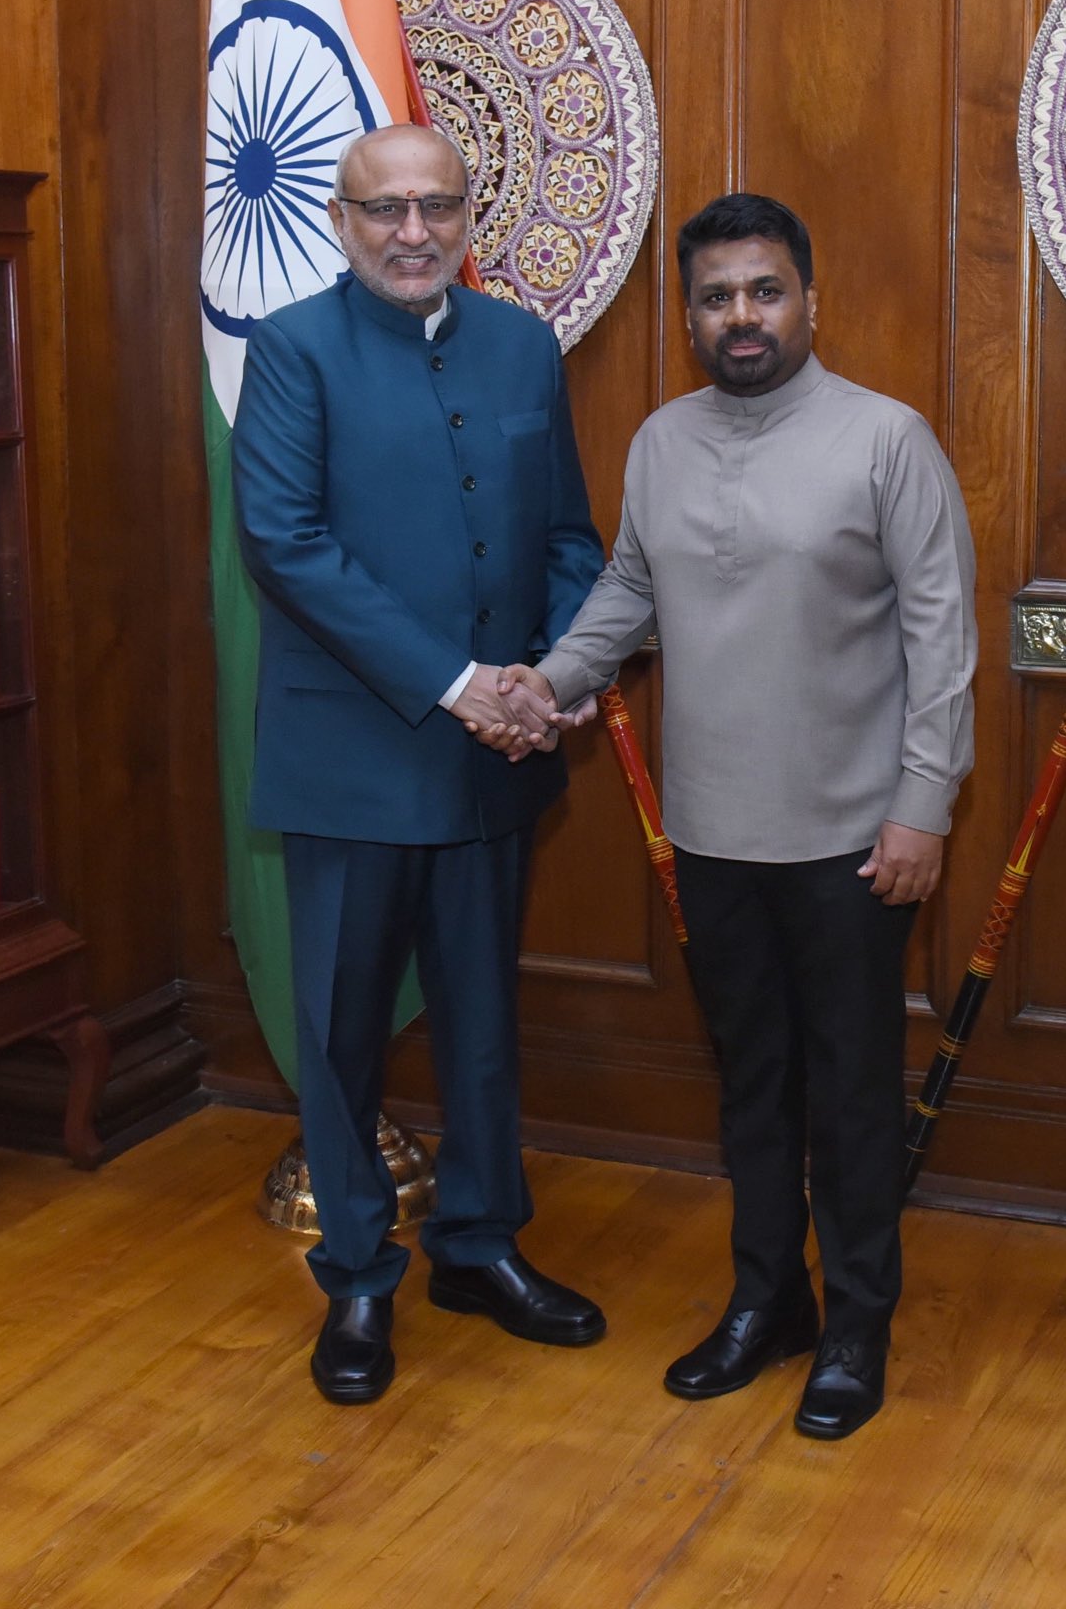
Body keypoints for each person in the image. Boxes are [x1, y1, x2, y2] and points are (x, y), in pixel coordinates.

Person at [501, 192, 976, 1440]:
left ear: (808, 299)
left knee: (852, 1093)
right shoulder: (660, 440)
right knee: (753, 1088)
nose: (742, 315)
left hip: (854, 841)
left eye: (763, 290)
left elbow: (944, 639)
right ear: (691, 316)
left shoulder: (888, 438)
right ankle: (770, 1301)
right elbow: (625, 594)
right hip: (711, 837)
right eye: (716, 297)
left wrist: (922, 806)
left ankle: (858, 1318)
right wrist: (544, 685)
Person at [232, 123, 607, 1407]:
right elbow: (287, 543)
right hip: (355, 757)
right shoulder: (290, 350)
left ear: (466, 214)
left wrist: (546, 679)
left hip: (497, 757)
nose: (413, 231)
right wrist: (461, 684)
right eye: (385, 209)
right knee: (341, 1031)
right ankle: (353, 1273)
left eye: (436, 205)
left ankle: (480, 1244)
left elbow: (567, 532)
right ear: (342, 220)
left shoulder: (519, 344)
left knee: (484, 1021)